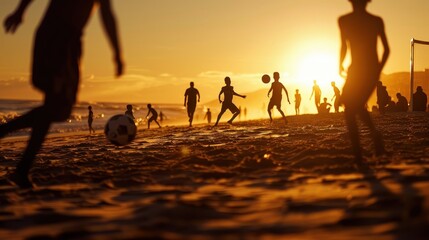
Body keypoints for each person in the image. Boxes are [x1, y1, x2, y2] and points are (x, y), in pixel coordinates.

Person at [0, 0, 123, 188]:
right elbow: (107, 14)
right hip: (57, 36)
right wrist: (20, 11)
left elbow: (107, 14)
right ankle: (21, 169)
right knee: (56, 106)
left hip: (70, 40)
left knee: (57, 109)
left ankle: (21, 169)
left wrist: (117, 52)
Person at [339, 0, 389, 161]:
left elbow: (386, 50)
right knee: (352, 107)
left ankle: (359, 153)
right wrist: (340, 63)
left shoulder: (347, 20)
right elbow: (344, 46)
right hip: (358, 70)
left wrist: (377, 71)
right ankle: (369, 142)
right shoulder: (373, 20)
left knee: (351, 108)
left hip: (366, 70)